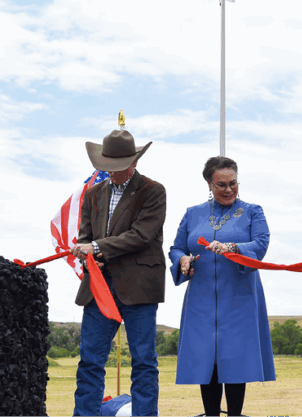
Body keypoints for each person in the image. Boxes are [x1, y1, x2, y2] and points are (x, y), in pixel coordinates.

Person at [168, 156, 274, 417]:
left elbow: (260, 244)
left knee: (236, 360)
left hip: (240, 299)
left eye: (233, 183)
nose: (228, 189)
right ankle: (211, 415)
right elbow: (176, 248)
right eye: (221, 185)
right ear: (209, 184)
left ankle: (235, 415)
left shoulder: (253, 211)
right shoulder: (193, 214)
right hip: (201, 301)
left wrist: (234, 248)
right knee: (207, 362)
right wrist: (182, 260)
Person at [71, 130, 166, 416]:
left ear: (133, 163)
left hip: (139, 287)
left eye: (117, 168)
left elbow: (141, 236)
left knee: (143, 363)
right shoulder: (92, 194)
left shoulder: (153, 191)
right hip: (98, 288)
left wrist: (96, 248)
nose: (110, 173)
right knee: (89, 361)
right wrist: (91, 258)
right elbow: (85, 236)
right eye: (106, 167)